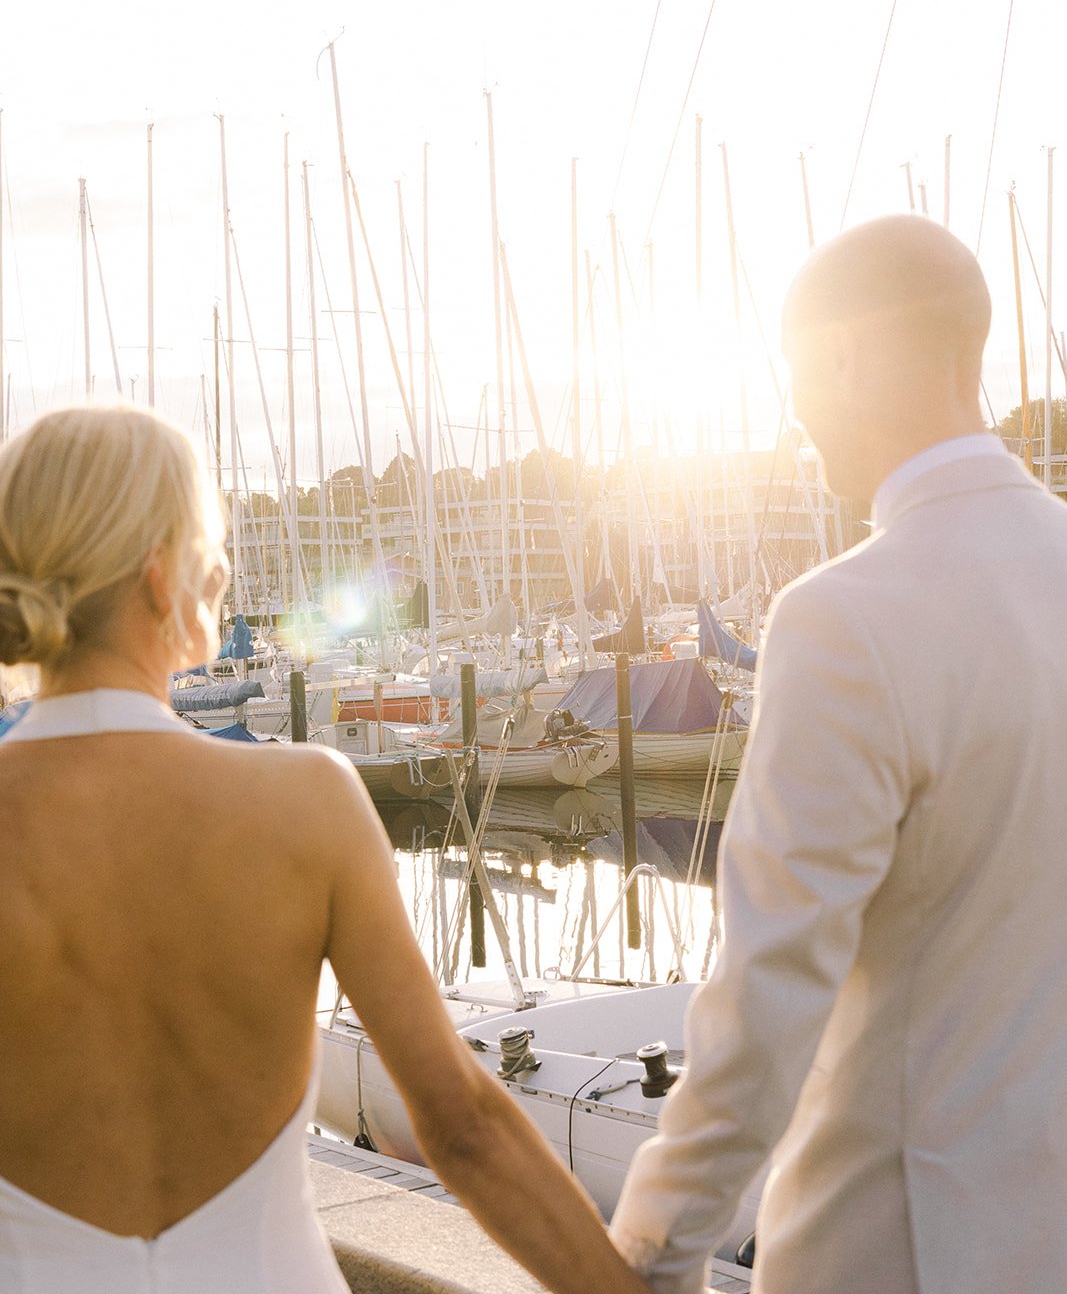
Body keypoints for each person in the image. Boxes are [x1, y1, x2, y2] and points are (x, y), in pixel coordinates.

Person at [0, 404, 651, 1294]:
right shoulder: (305, 801)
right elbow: (461, 1126)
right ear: (161, 577)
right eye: (212, 552)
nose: (223, 576)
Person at [610, 213, 1067, 1293]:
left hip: (899, 1245)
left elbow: (769, 987)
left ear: (848, 355)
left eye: (797, 371)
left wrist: (644, 1250)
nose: (795, 410)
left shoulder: (843, 617)